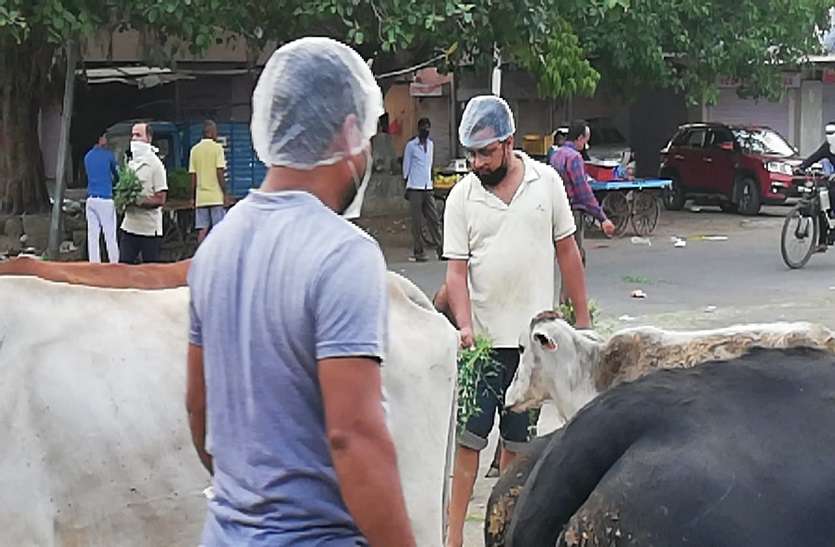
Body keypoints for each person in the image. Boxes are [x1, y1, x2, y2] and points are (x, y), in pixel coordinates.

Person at [185, 37, 416, 547]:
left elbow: (198, 409)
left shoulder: (216, 247)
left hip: (224, 533)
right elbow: (353, 435)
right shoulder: (343, 254)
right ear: (351, 130)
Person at [443, 95, 591, 547]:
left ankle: (501, 534)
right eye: (470, 152)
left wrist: (581, 319)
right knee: (469, 443)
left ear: (508, 143)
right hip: (483, 346)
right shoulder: (461, 197)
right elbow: (456, 271)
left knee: (517, 448)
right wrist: (465, 326)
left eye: (485, 152)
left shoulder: (546, 183)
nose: (476, 162)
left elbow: (568, 252)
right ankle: (453, 539)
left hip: (533, 350)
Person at [550, 120, 616, 301]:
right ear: (579, 138)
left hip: (556, 211)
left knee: (565, 257)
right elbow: (583, 191)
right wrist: (602, 218)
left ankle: (566, 300)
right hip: (572, 213)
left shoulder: (556, 155)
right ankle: (569, 302)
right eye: (585, 140)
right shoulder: (574, 158)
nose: (585, 145)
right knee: (575, 258)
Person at [119, 122, 167, 264]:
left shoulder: (156, 165)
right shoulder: (130, 165)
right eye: (133, 135)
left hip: (149, 231)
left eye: (138, 135)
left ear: (148, 138)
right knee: (123, 268)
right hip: (129, 227)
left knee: (151, 272)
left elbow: (161, 198)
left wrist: (139, 200)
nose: (134, 139)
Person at [403, 117, 443, 261]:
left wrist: (432, 181)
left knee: (434, 219)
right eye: (423, 128)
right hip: (415, 187)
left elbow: (430, 165)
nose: (425, 130)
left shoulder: (431, 145)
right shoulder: (411, 146)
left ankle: (441, 249)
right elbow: (406, 167)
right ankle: (418, 252)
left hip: (427, 187)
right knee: (417, 222)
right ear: (419, 129)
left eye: (427, 128)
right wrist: (406, 184)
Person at [797, 121, 835, 253]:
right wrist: (801, 167)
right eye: (828, 133)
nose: (830, 136)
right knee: (820, 205)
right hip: (831, 179)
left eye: (832, 133)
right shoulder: (827, 147)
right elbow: (814, 157)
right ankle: (823, 241)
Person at [189, 120, 227, 244]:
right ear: (210, 133)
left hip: (201, 197)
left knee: (202, 230)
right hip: (215, 196)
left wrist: (192, 196)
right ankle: (217, 254)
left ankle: (201, 255)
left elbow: (193, 176)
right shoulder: (217, 149)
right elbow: (219, 172)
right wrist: (225, 193)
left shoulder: (194, 150)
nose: (217, 134)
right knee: (218, 229)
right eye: (215, 131)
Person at [83, 132, 119, 263]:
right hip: (105, 198)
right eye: (104, 137)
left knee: (93, 236)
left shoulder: (87, 157)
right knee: (110, 235)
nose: (106, 139)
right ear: (99, 139)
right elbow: (117, 174)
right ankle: (114, 264)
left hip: (91, 198)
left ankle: (94, 265)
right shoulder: (108, 155)